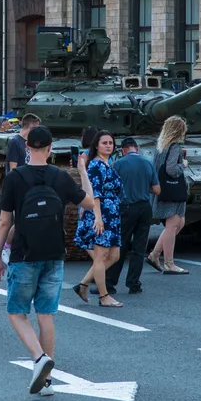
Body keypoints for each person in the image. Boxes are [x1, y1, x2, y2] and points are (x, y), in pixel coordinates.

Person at [0, 125, 96, 396]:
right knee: (45, 315)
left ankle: (39, 358)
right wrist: (83, 171)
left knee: (17, 312)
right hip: (54, 254)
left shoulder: (15, 177)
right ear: (50, 149)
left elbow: (4, 222)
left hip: (24, 254)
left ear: (27, 147)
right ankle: (47, 382)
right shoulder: (60, 176)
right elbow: (89, 203)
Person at [71, 131, 123, 307]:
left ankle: (83, 284)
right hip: (101, 214)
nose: (108, 145)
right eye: (104, 143)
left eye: (111, 143)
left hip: (112, 214)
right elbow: (95, 194)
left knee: (114, 256)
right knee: (101, 256)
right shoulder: (96, 165)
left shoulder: (107, 163)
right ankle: (103, 296)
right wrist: (98, 218)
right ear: (96, 146)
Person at [103, 137, 159, 295]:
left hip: (126, 208)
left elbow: (110, 187)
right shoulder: (148, 162)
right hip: (144, 207)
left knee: (120, 245)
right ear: (137, 148)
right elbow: (157, 190)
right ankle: (134, 284)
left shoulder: (118, 164)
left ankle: (110, 282)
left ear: (123, 150)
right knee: (139, 247)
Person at [148, 116, 190, 274]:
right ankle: (169, 263)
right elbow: (171, 170)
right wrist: (183, 164)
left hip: (163, 188)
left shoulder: (161, 146)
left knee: (179, 223)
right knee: (172, 226)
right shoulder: (174, 147)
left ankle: (154, 254)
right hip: (172, 191)